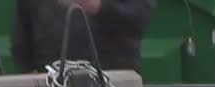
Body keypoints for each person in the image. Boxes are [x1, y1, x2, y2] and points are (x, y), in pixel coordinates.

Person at [11, 0, 155, 74]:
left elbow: (138, 19)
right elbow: (22, 29)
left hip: (113, 82)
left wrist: (98, 7)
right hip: (52, 86)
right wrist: (28, 71)